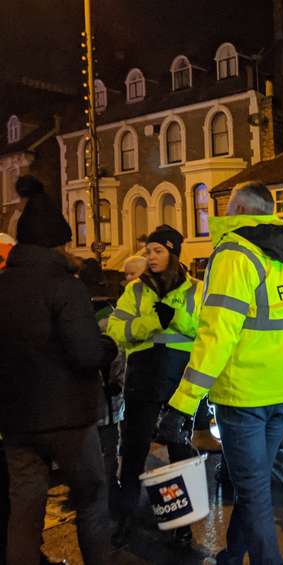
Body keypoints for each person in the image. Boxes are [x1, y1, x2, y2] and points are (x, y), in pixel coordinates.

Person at [159, 181, 283, 565]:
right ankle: (232, 556)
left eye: (229, 209)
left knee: (252, 491)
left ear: (239, 211)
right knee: (255, 486)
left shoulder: (234, 255)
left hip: (244, 397)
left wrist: (182, 404)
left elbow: (216, 337)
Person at [0, 192, 117, 565]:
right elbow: (85, 353)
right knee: (92, 497)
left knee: (24, 506)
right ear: (58, 243)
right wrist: (107, 348)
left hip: (16, 417)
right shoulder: (65, 285)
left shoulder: (4, 285)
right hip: (68, 418)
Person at [106, 225, 203, 548]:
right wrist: (151, 323)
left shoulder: (194, 290)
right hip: (143, 379)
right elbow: (117, 330)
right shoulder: (134, 290)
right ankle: (126, 517)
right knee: (133, 451)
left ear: (173, 253)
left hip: (179, 379)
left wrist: (174, 318)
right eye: (148, 251)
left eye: (158, 250)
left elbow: (204, 328)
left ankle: (181, 524)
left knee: (179, 451)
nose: (151, 257)